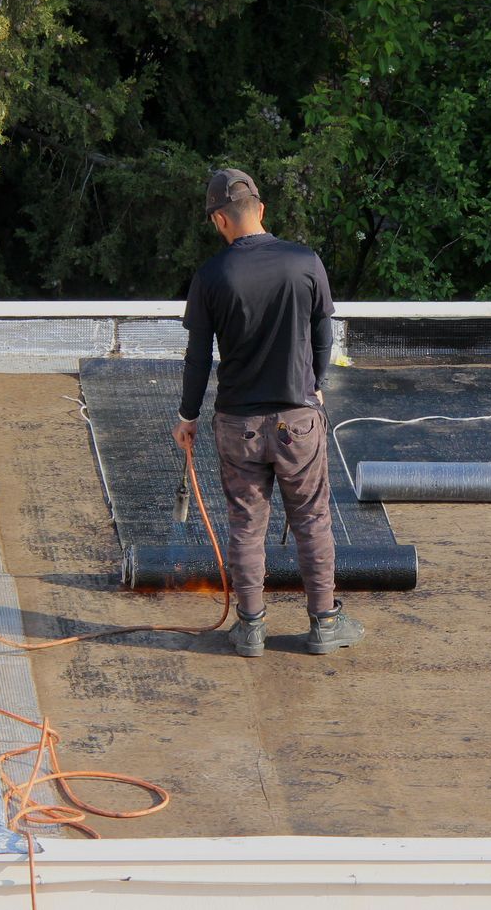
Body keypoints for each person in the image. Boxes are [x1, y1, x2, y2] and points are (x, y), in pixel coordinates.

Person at [171, 168, 364, 658]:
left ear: (219, 220)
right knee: (313, 520)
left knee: (245, 524)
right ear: (260, 209)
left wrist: (187, 416)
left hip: (239, 426)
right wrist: (316, 388)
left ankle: (251, 628)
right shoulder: (305, 261)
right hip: (298, 419)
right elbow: (324, 332)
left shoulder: (212, 277)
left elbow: (198, 357)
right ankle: (324, 623)